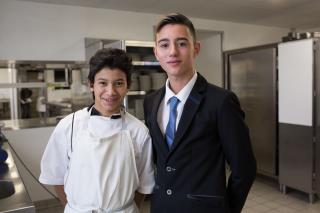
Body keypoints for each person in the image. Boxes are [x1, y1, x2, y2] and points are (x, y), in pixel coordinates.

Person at [143, 13, 256, 213]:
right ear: (156, 52)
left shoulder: (221, 101)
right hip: (162, 207)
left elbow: (244, 168)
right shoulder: (151, 101)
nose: (173, 52)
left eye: (182, 43)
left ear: (196, 49)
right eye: (164, 45)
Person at [40, 48, 155, 213]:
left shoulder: (138, 131)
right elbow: (56, 175)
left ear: (128, 86)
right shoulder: (69, 125)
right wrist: (72, 208)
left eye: (119, 83)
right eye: (103, 83)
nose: (111, 92)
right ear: (91, 84)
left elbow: (144, 184)